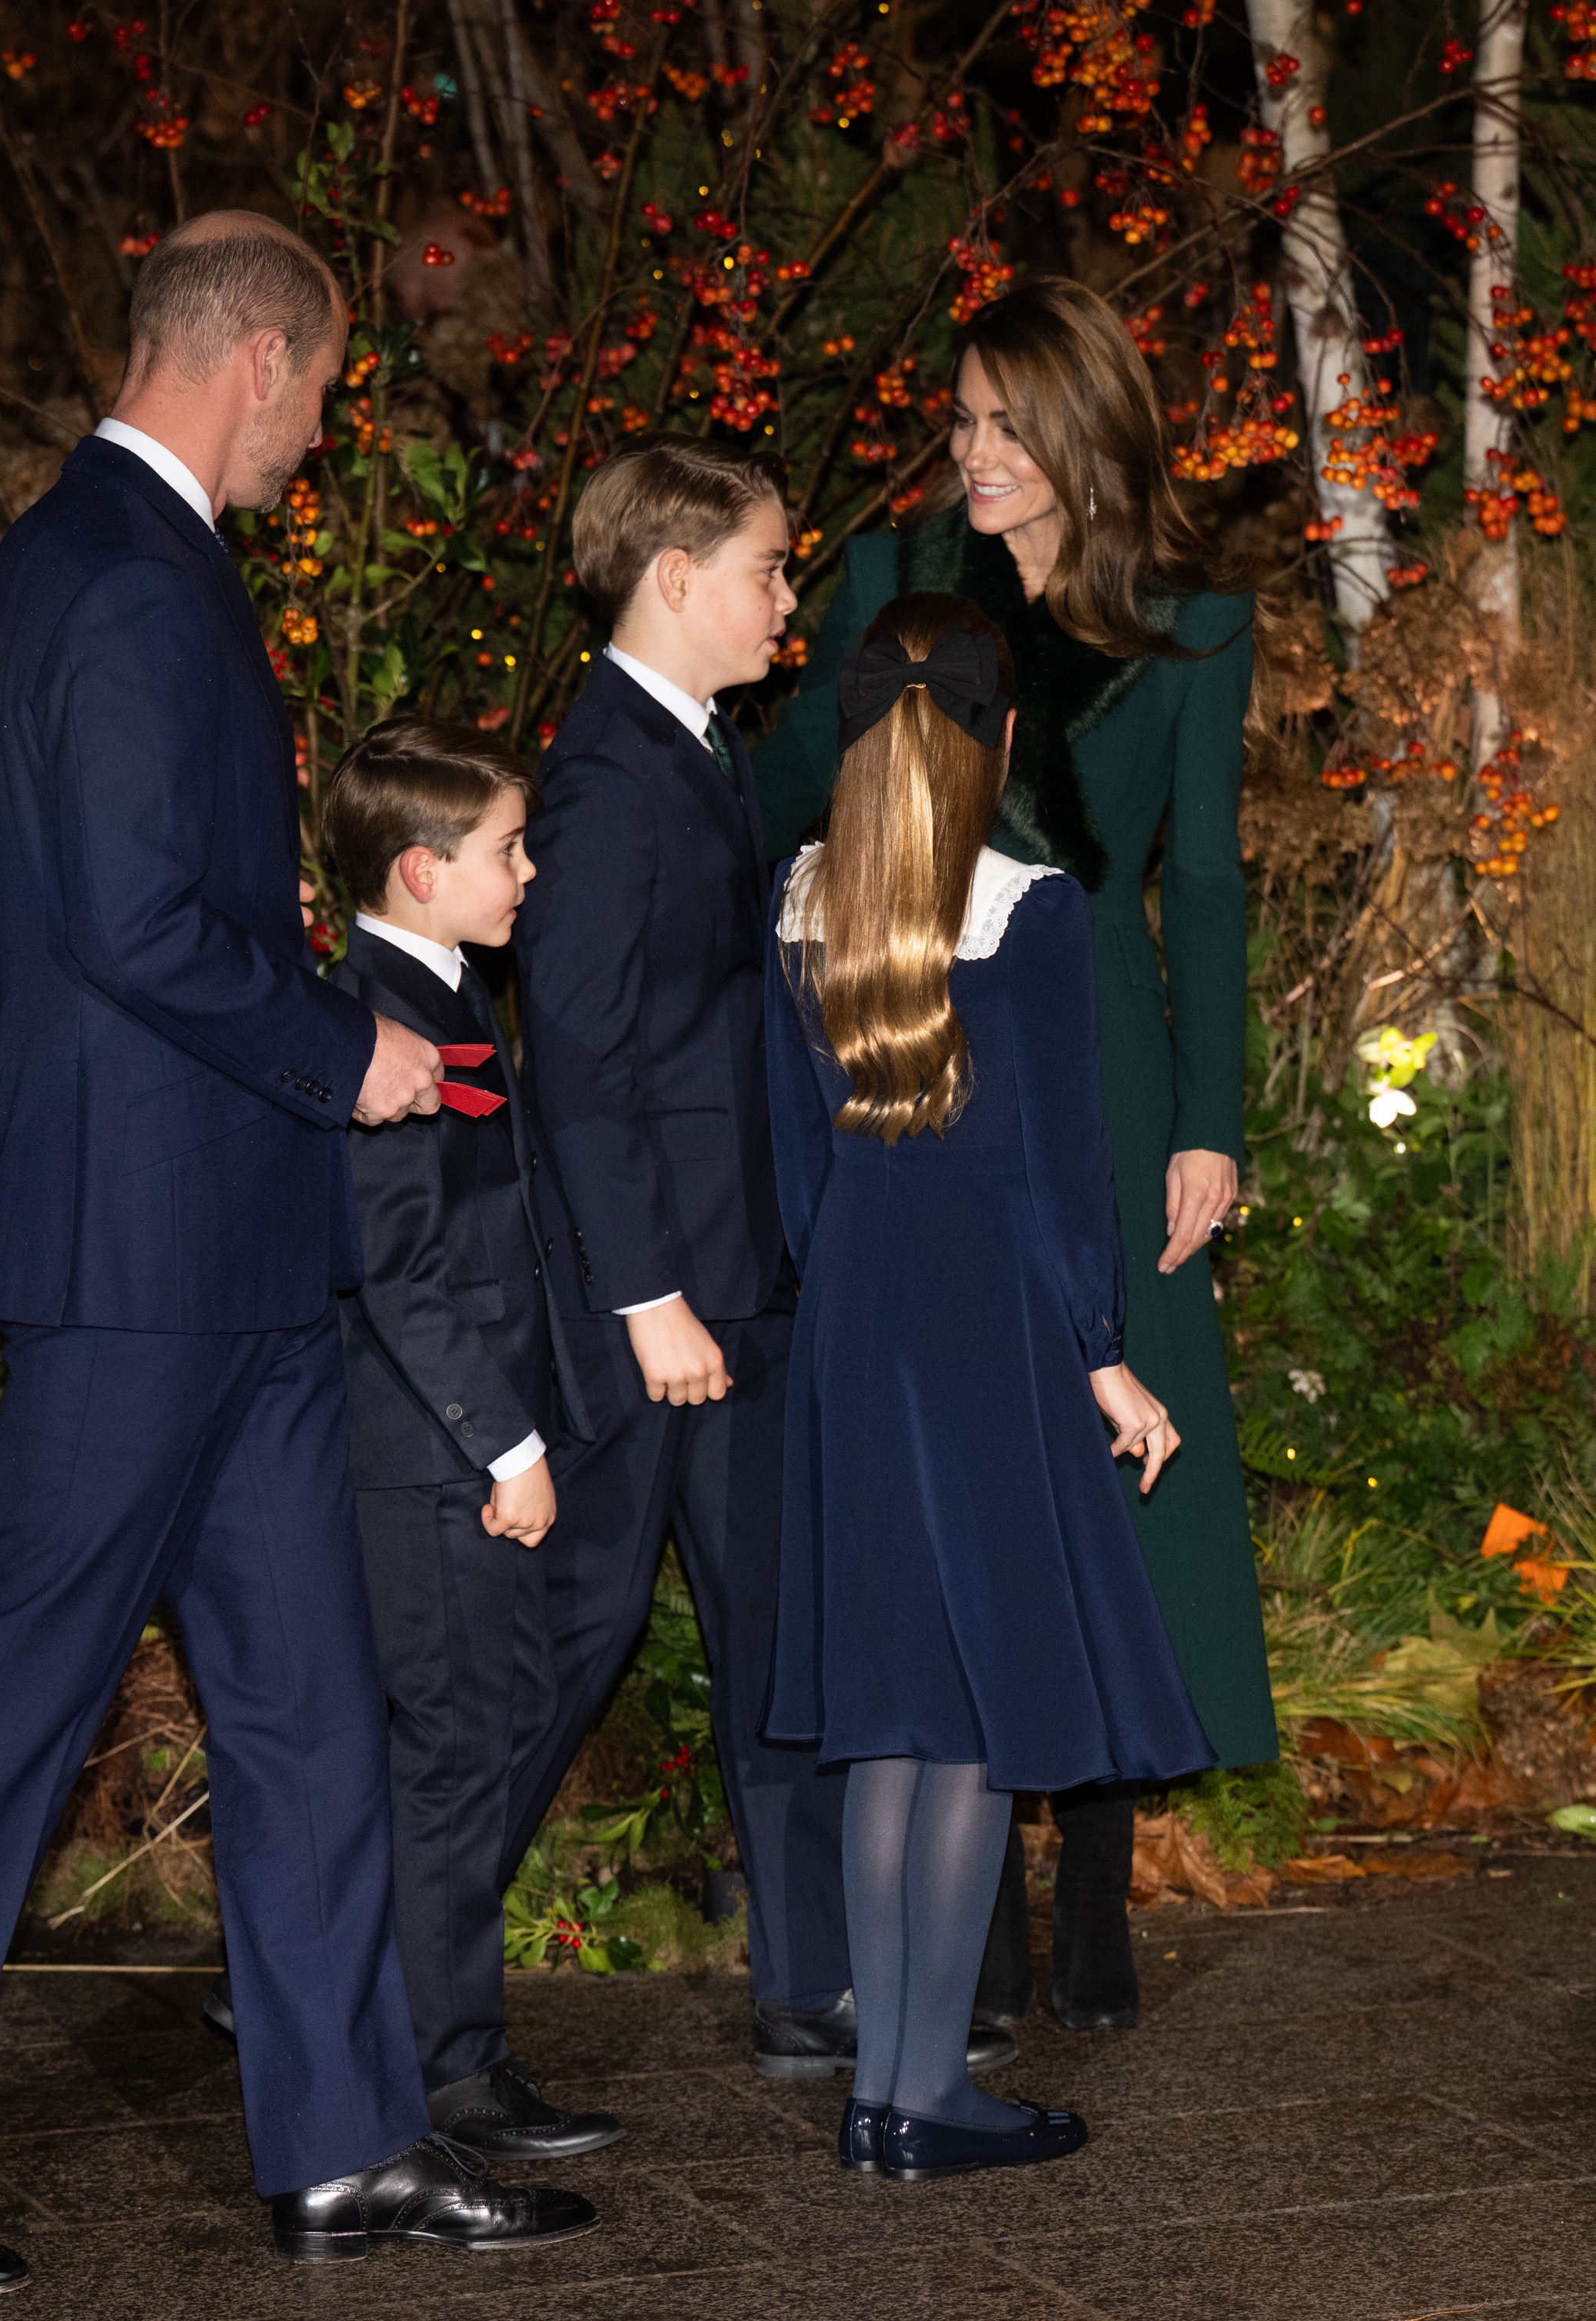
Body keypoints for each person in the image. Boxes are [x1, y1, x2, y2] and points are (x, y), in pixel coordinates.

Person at [0, 213, 593, 2296]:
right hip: (142, 1255)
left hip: (230, 1257)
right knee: (19, 1701)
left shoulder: (81, 572)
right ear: (254, 361)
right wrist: (346, 1051)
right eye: (314, 390)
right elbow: (121, 916)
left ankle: (347, 2145)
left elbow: (8, 889)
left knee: (306, 1710)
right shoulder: (124, 578)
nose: (315, 432)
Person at [750, 276, 1276, 2036]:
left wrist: (1211, 1115)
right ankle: (964, 1941)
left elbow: (1197, 880)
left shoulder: (1193, 620)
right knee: (944, 1470)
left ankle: (1101, 1877)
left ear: (1084, 429)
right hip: (897, 1053)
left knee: (1107, 1467)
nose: (970, 454)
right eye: (959, 419)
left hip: (1096, 1066)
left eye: (1001, 423)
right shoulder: (892, 586)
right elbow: (796, 808)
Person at [506, 434, 1010, 2085]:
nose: (787, 602)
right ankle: (367, 1947)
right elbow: (578, 1058)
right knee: (565, 1648)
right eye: (770, 570)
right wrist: (647, 1298)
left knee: (782, 1636)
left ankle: (810, 1979)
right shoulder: (599, 781)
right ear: (674, 576)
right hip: (658, 1304)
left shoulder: (695, 749)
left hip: (743, 1283)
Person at [764, 588, 1214, 2183]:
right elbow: (1060, 1169)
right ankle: (919, 2100)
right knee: (962, 1723)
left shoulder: (800, 899)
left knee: (893, 1720)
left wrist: (842, 1318)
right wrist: (1102, 1356)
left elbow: (793, 1173)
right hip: (988, 1326)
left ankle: (887, 2093)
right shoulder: (1031, 909)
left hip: (851, 1321)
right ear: (1000, 734)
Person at [203, 719, 622, 2163]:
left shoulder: (445, 992)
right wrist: (506, 1446)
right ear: (419, 869)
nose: (529, 870)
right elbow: (401, 1269)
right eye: (508, 849)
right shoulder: (378, 1013)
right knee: (453, 1751)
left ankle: (414, 2029)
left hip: (456, 1443)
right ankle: (445, 2070)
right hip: (425, 1455)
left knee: (476, 1734)